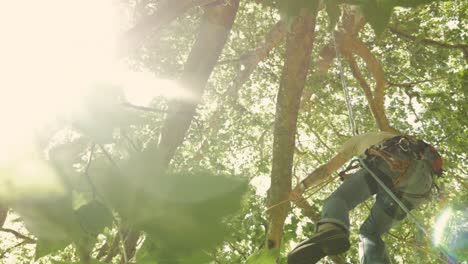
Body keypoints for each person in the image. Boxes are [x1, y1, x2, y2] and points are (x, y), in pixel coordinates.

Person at [287, 131, 443, 264]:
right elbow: (373, 179)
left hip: (392, 162)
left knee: (338, 199)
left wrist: (300, 188)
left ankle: (330, 230)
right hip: (421, 186)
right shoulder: (389, 138)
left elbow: (326, 170)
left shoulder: (356, 142)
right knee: (370, 233)